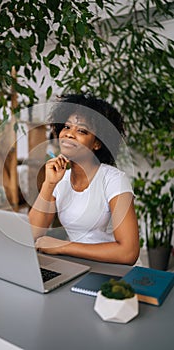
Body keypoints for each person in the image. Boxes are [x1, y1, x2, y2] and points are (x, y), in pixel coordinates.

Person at [28, 94, 140, 265]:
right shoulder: (60, 179)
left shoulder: (113, 180)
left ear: (97, 143)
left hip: (115, 272)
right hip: (78, 266)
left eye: (81, 130)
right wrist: (48, 184)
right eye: (66, 127)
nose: (69, 135)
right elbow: (31, 235)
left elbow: (128, 252)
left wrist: (63, 246)